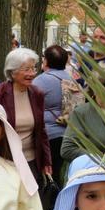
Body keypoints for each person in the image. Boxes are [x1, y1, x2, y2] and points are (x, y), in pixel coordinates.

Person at [0, 48, 52, 188]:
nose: (32, 74)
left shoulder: (37, 93)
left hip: (31, 160)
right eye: (26, 69)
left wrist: (46, 161)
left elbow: (42, 130)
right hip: (5, 159)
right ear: (13, 71)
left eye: (34, 68)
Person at [60, 65, 105, 166]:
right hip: (97, 175)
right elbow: (67, 150)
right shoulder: (81, 113)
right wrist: (104, 157)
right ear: (94, 87)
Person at [32, 45, 76, 183]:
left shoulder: (40, 81)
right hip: (69, 132)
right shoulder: (72, 80)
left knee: (48, 173)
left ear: (46, 61)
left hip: (48, 134)